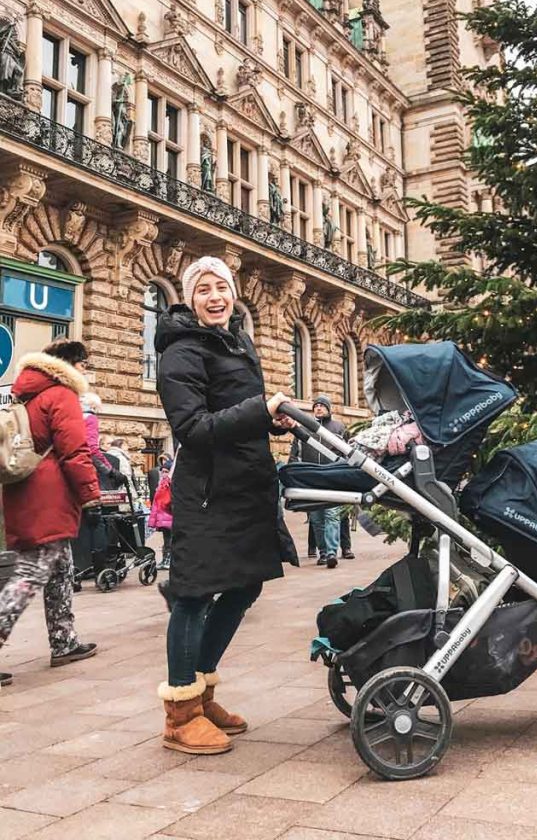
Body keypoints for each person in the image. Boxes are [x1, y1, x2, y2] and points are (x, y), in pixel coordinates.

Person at [154, 255, 296, 755]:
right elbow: (192, 428)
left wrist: (269, 421)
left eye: (221, 287)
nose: (215, 297)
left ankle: (201, 691)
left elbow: (234, 412)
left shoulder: (235, 339)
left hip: (245, 485)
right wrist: (261, 409)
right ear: (189, 299)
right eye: (203, 289)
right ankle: (179, 713)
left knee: (243, 586)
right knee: (194, 593)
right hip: (208, 490)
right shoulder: (182, 349)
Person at [0, 338, 100, 686]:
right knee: (30, 573)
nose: (86, 371)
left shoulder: (26, 394)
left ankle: (64, 640)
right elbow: (75, 451)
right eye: (84, 364)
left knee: (60, 568)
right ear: (69, 365)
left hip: (25, 489)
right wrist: (90, 493)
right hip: (49, 494)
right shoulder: (61, 395)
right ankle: (61, 639)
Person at [288, 395, 353, 567]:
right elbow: (295, 454)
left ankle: (332, 553)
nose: (318, 408)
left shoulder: (339, 428)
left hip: (333, 478)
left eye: (322, 406)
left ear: (329, 409)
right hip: (312, 479)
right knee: (316, 519)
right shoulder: (305, 428)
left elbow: (349, 452)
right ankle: (323, 553)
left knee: (332, 515)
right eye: (316, 405)